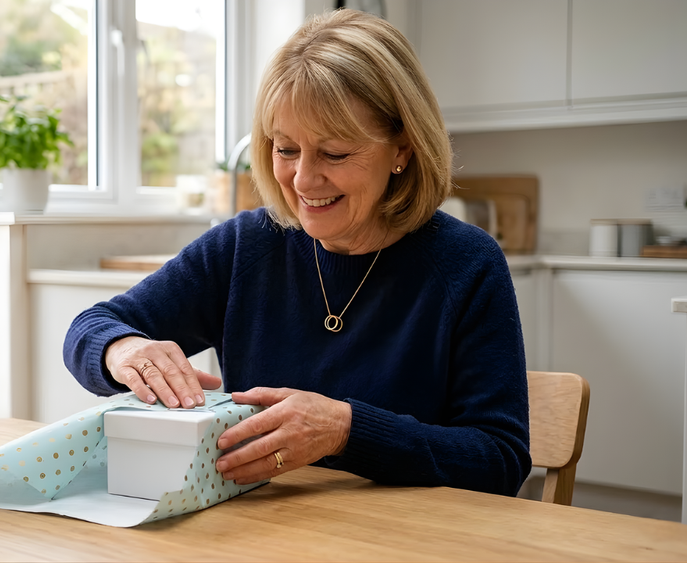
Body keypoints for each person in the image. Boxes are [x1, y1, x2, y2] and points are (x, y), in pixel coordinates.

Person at [63, 9, 530, 497]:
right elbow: (90, 327)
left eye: (334, 153)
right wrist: (126, 349)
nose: (303, 180)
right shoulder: (246, 244)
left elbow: (499, 460)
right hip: (261, 534)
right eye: (286, 150)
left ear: (402, 150)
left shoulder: (467, 264)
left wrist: (347, 430)